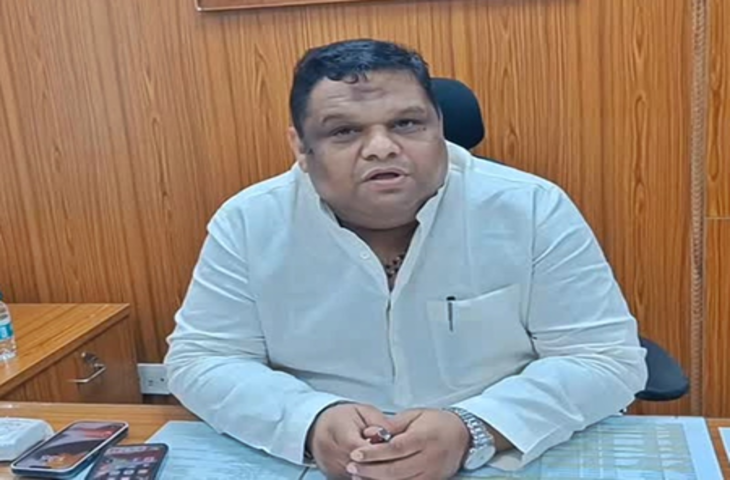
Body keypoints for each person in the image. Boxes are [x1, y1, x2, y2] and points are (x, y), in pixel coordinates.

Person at [165, 39, 648, 480]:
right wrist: (308, 421)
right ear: (301, 148)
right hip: (320, 464)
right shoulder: (249, 222)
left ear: (439, 126)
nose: (382, 148)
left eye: (406, 124)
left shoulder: (532, 208)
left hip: (495, 456)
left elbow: (605, 359)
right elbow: (202, 359)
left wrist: (475, 428)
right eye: (344, 131)